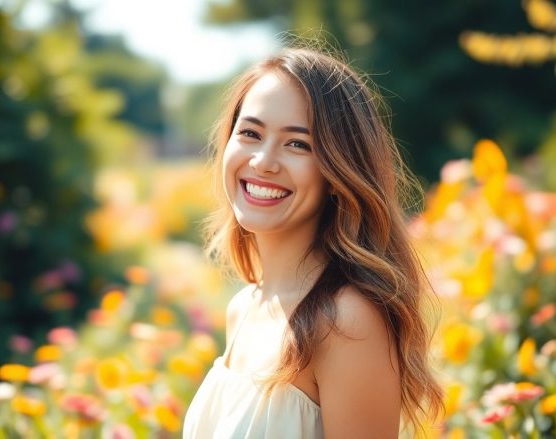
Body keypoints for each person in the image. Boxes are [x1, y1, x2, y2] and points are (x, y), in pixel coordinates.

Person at [182, 46, 443, 439]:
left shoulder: (345, 323)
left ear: (339, 171)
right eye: (250, 133)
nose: (264, 161)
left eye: (298, 144)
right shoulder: (244, 307)